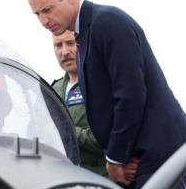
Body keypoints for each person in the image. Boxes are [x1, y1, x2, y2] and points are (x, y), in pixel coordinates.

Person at [28, 0, 186, 189]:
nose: (43, 21)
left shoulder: (107, 22)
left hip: (159, 153)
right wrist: (119, 157)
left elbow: (130, 95)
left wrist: (116, 157)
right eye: (37, 14)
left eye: (47, 9)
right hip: (137, 157)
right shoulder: (85, 34)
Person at [50, 30, 138, 177]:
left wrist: (65, 131)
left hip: (99, 180)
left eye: (70, 43)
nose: (64, 52)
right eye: (58, 45)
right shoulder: (52, 90)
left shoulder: (102, 85)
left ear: (82, 43)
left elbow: (108, 138)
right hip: (61, 179)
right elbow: (37, 134)